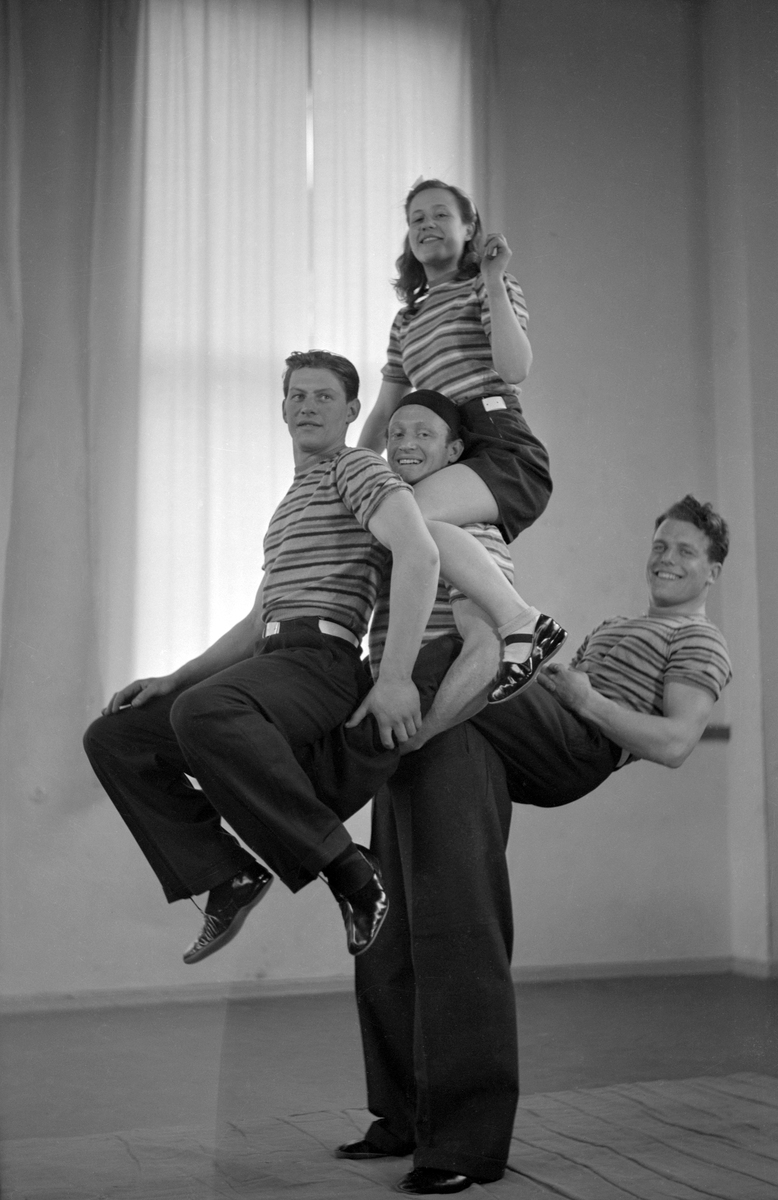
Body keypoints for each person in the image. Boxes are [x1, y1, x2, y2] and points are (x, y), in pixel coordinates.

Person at [325, 480, 732, 1195]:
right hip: (517, 723)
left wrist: (584, 696)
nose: (666, 558)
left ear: (712, 571)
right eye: (660, 544)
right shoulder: (617, 624)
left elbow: (673, 743)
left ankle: (464, 1141)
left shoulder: (698, 639)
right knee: (390, 917)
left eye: (685, 551)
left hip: (573, 742)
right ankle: (403, 1118)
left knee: (447, 656)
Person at [83, 350, 442, 964]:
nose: (308, 405)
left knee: (204, 710)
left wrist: (395, 678)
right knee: (116, 737)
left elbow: (420, 553)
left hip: (324, 663)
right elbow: (256, 626)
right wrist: (173, 678)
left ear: (353, 411)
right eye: (298, 395)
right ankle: (229, 875)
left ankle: (350, 871)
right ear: (282, 409)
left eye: (324, 396)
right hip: (275, 660)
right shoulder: (289, 506)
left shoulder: (355, 467)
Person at [359, 178, 566, 703]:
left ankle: (523, 622)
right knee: (428, 543)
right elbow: (385, 410)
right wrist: (351, 471)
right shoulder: (407, 320)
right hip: (448, 453)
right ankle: (507, 637)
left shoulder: (485, 286)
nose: (427, 225)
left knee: (411, 519)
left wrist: (493, 280)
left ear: (469, 227)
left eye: (440, 215)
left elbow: (514, 369)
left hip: (497, 440)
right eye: (416, 219)